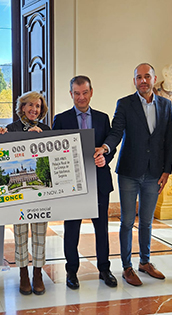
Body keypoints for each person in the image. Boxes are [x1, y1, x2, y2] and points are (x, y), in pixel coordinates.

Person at [95, 63, 172, 286]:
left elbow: (169, 140)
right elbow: (116, 132)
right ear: (134, 81)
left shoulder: (166, 105)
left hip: (154, 172)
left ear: (154, 78)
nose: (143, 81)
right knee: (128, 221)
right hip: (129, 172)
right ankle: (127, 267)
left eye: (147, 76)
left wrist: (167, 170)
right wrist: (105, 148)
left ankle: (145, 262)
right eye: (138, 77)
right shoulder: (125, 104)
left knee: (147, 221)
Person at [52, 75, 118, 289]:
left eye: (85, 92)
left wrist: (104, 157)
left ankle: (104, 269)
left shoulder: (102, 117)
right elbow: (53, 151)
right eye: (77, 93)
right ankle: (71, 271)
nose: (81, 97)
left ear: (91, 92)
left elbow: (110, 148)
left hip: (98, 181)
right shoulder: (61, 119)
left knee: (102, 228)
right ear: (71, 94)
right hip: (72, 184)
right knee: (72, 230)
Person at [0, 91, 50, 295]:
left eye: (37, 106)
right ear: (22, 107)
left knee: (39, 233)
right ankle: (22, 274)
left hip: (40, 194)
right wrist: (0, 137)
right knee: (20, 233)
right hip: (19, 194)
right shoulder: (10, 129)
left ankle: (37, 273)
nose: (34, 109)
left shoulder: (46, 129)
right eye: (30, 105)